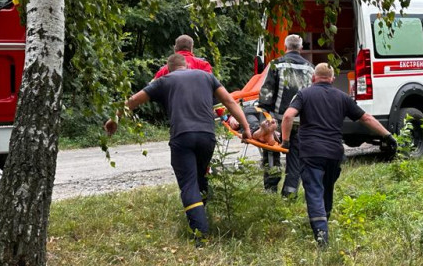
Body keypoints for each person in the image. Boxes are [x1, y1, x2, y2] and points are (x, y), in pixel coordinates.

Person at [105, 53, 251, 242]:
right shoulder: (207, 77)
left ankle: (201, 235)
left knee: (189, 184)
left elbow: (133, 101)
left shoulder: (164, 81)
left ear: (169, 68)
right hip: (207, 136)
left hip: (183, 136)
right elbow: (230, 101)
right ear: (187, 66)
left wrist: (114, 119)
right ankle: (201, 213)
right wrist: (246, 128)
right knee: (200, 177)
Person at [281, 63, 397, 248]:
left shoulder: (304, 94)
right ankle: (324, 223)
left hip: (310, 153)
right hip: (334, 153)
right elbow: (366, 117)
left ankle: (321, 236)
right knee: (326, 190)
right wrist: (387, 135)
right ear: (332, 79)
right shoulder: (343, 97)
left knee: (314, 192)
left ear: (313, 78)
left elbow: (288, 116)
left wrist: (285, 141)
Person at [257, 34, 315, 196]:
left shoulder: (276, 65)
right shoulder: (311, 68)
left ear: (285, 47)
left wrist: (265, 117)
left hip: (276, 121)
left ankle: (271, 190)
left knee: (271, 155)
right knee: (295, 157)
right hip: (299, 123)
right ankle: (290, 193)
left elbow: (266, 95)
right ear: (301, 48)